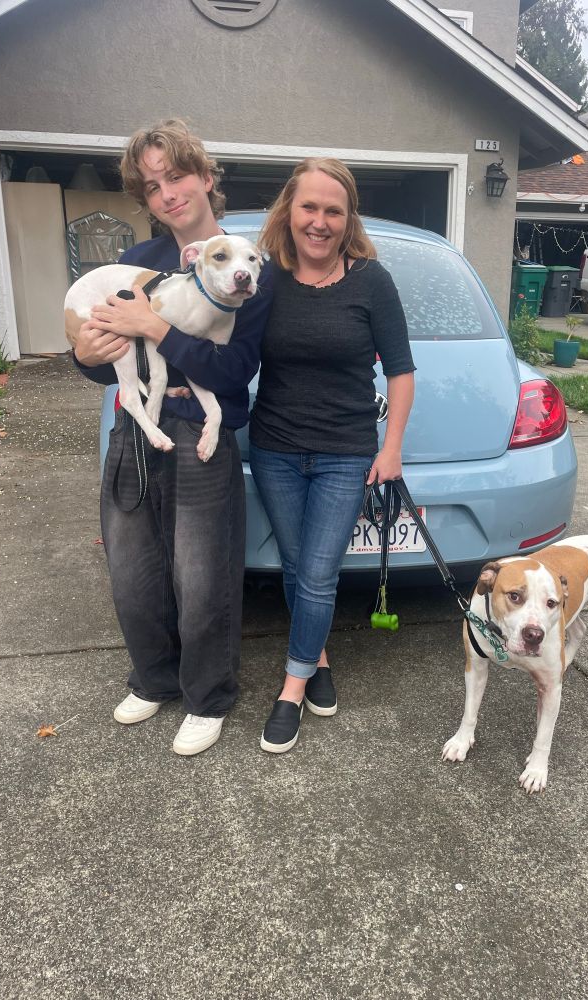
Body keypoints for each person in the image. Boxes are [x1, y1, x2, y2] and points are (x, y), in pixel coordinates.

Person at [72, 119, 272, 756]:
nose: (167, 193)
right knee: (133, 566)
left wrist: (156, 331)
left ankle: (208, 696)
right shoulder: (141, 264)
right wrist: (83, 350)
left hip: (201, 434)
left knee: (202, 571)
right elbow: (105, 354)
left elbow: (236, 370)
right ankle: (154, 679)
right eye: (153, 185)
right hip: (137, 426)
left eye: (177, 176)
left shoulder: (243, 263)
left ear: (206, 178)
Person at [251, 157, 415, 754]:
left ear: (348, 221)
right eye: (309, 208)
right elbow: (222, 338)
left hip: (346, 453)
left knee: (318, 573)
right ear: (288, 213)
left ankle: (290, 689)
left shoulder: (372, 281)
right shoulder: (263, 278)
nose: (319, 221)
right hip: (274, 449)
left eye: (333, 211)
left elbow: (400, 371)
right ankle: (315, 656)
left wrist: (391, 448)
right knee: (297, 569)